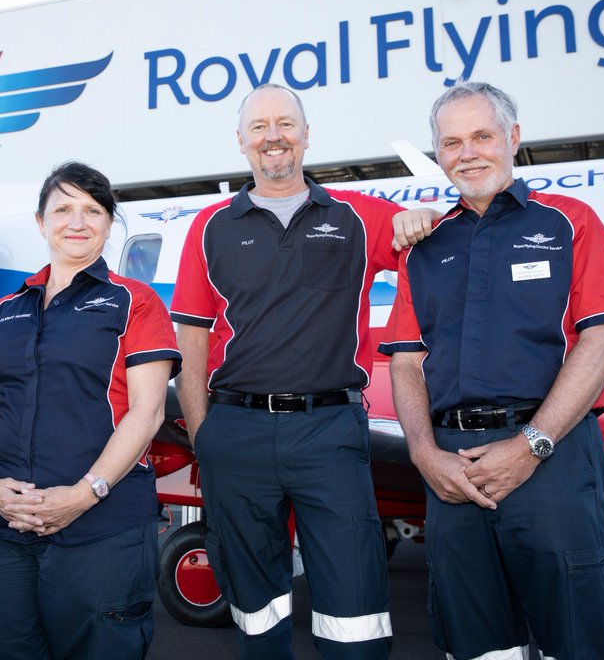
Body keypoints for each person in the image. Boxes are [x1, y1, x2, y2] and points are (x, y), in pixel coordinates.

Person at [380, 81, 604, 660]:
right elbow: (405, 363)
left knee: (575, 638)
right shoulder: (425, 247)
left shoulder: (569, 222)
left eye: (482, 135)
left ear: (513, 138)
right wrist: (424, 455)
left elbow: (602, 344)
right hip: (451, 467)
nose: (467, 152)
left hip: (554, 457)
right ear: (438, 152)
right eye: (451, 142)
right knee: (474, 644)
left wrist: (532, 445)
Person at [171, 83, 431, 659]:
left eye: (285, 124)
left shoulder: (359, 217)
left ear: (306, 135)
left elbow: (427, 238)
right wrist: (202, 434)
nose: (273, 137)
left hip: (330, 431)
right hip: (235, 433)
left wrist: (422, 217)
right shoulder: (210, 226)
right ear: (241, 142)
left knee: (355, 612)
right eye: (259, 126)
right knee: (256, 610)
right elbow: (192, 336)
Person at [0, 162, 181, 660]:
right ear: (41, 222)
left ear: (108, 223)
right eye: (63, 209)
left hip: (103, 526)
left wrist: (84, 494)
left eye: (92, 211)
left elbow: (147, 413)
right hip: (3, 528)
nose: (77, 222)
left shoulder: (136, 303)